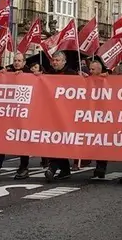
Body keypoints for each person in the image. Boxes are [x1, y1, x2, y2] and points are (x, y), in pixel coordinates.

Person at [44, 51, 80, 183]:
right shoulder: (48, 74)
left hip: (66, 114)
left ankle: (52, 167)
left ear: (64, 62)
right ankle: (64, 170)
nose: (54, 62)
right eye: (53, 60)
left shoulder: (72, 74)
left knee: (60, 141)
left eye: (57, 60)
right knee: (54, 141)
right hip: (51, 114)